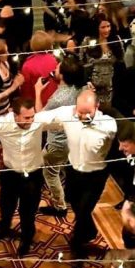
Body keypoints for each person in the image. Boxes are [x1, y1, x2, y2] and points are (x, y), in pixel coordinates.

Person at [0, 97, 64, 256]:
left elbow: (61, 113)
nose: (31, 121)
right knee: (6, 206)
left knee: (28, 212)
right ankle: (4, 228)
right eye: (26, 117)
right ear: (15, 116)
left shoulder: (38, 121)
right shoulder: (2, 124)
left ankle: (27, 238)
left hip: (33, 175)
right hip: (10, 174)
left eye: (32, 116)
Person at [46, 90, 117, 256]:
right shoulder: (68, 115)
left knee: (84, 210)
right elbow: (42, 117)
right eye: (80, 112)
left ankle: (77, 245)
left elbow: (124, 142)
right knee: (75, 204)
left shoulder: (110, 124)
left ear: (97, 107)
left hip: (96, 175)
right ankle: (90, 231)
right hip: (73, 170)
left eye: (88, 112)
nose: (84, 116)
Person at [36, 55, 84, 217]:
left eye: (57, 68)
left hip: (58, 142)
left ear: (62, 75)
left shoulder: (58, 98)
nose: (54, 69)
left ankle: (60, 206)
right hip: (74, 138)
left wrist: (37, 92)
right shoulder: (80, 88)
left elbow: (39, 119)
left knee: (50, 173)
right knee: (60, 167)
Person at [20, 30, 59, 103]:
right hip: (54, 99)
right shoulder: (53, 59)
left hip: (38, 101)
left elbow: (26, 90)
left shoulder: (27, 65)